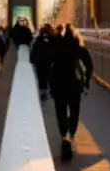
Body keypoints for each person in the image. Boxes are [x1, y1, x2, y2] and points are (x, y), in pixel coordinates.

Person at [49, 24, 93, 161]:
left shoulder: (55, 47)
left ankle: (64, 135)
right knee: (74, 111)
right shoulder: (78, 47)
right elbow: (89, 65)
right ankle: (70, 135)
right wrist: (86, 81)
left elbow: (46, 63)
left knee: (60, 112)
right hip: (74, 85)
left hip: (58, 85)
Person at [30, 24, 55, 101]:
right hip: (47, 62)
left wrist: (32, 59)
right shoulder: (52, 40)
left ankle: (43, 93)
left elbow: (34, 51)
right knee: (47, 77)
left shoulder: (38, 41)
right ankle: (46, 92)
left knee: (41, 78)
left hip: (40, 63)